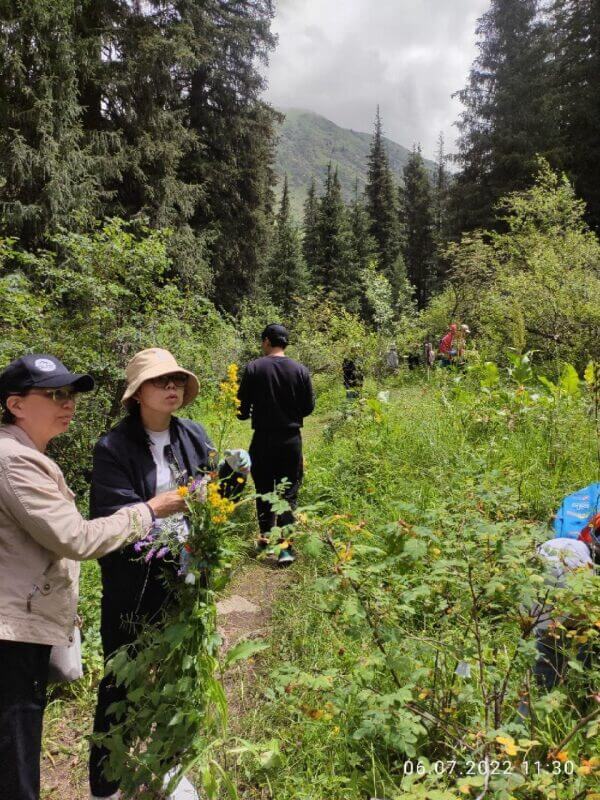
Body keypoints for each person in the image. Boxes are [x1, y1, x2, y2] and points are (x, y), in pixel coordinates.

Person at [0, 354, 186, 800]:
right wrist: (149, 510)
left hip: (26, 616)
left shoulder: (27, 455)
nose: (69, 404)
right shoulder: (16, 462)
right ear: (16, 405)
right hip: (12, 632)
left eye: (71, 394)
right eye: (54, 395)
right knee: (16, 759)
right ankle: (108, 784)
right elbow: (78, 538)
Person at [88, 348, 250, 800]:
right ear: (137, 393)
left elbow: (217, 499)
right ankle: (105, 786)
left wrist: (235, 477)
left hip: (188, 578)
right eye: (161, 382)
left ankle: (171, 768)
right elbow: (114, 518)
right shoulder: (112, 448)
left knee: (183, 674)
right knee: (122, 680)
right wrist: (167, 509)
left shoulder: (194, 434)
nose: (172, 387)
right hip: (134, 586)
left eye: (177, 380)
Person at [237, 324, 315, 565]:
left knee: (264, 491)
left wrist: (252, 411)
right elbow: (309, 407)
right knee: (288, 493)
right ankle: (286, 549)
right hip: (291, 439)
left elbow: (241, 409)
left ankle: (263, 541)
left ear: (268, 341)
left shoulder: (253, 368)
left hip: (262, 438)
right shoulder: (300, 370)